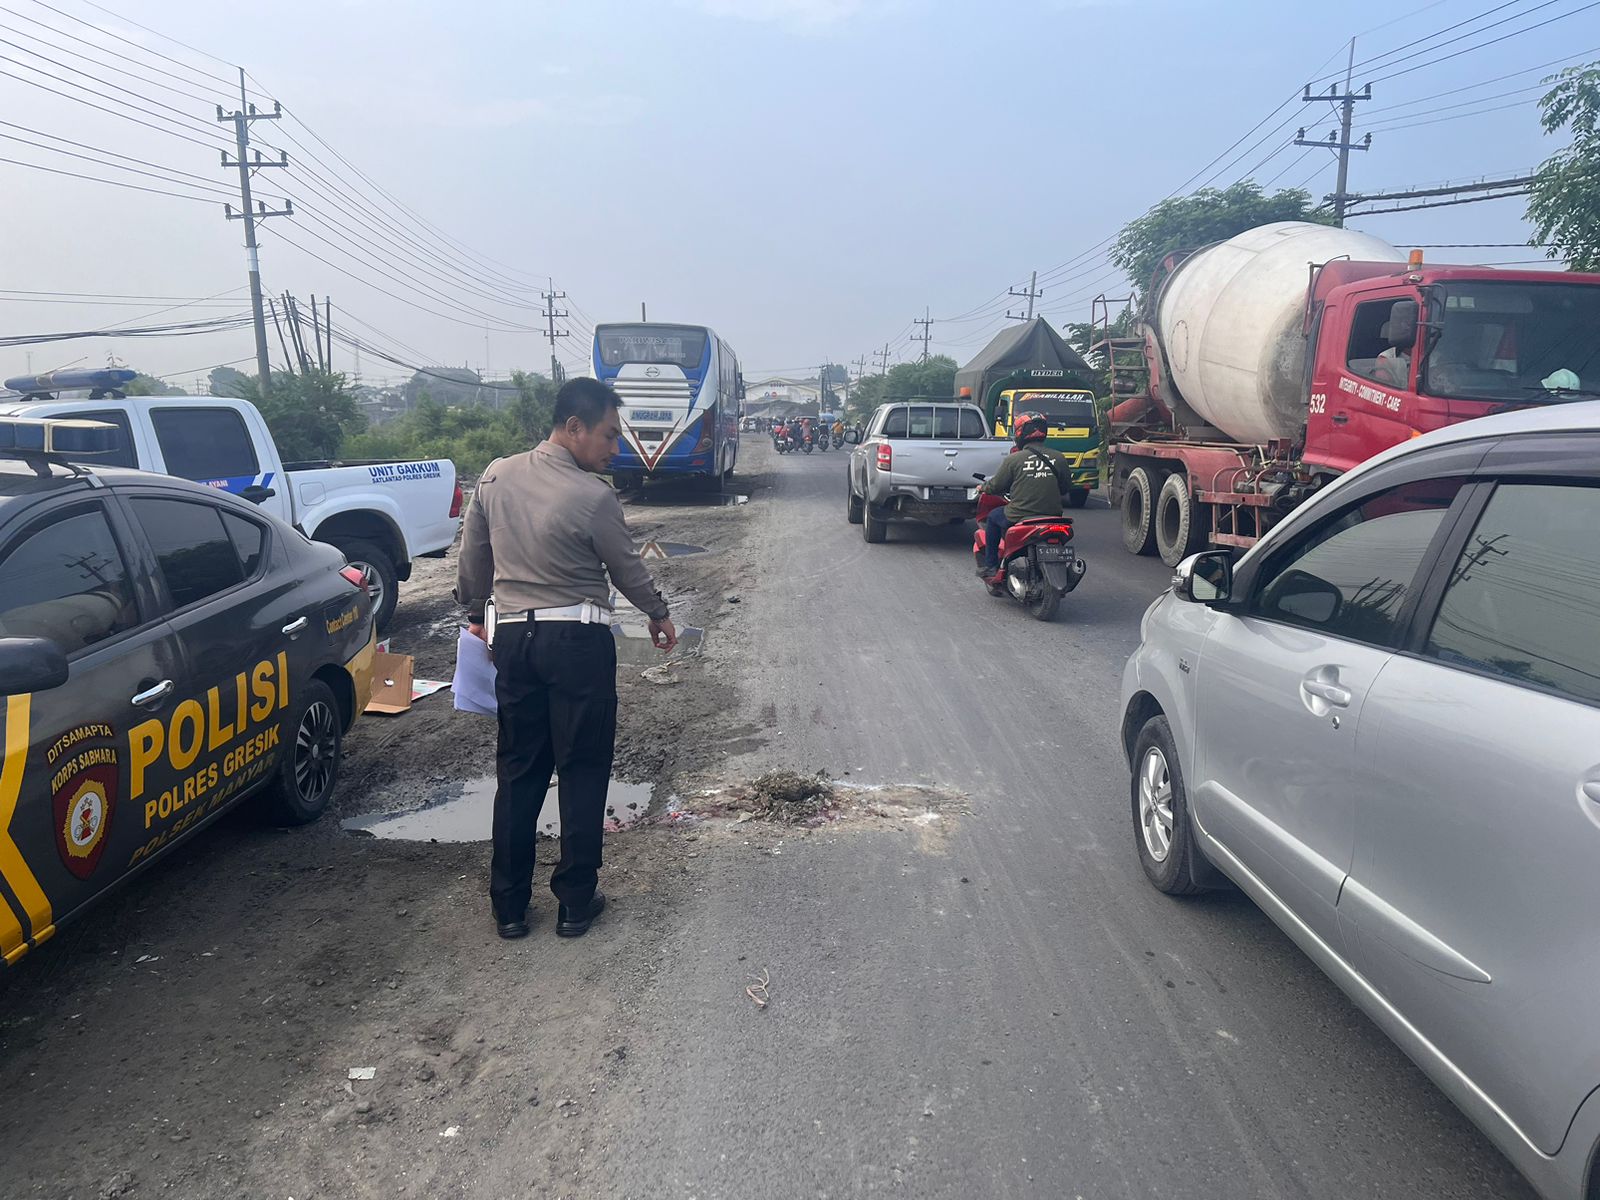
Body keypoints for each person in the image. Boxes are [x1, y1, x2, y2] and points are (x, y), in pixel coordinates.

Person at [457, 378, 677, 941]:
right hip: (578, 644)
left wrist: (476, 614)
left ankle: (509, 907)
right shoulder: (594, 496)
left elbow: (474, 557)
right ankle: (575, 904)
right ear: (574, 427)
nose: (614, 448)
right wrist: (657, 612)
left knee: (519, 771)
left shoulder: (495, 476)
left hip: (514, 643)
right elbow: (626, 568)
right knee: (582, 769)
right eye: (608, 435)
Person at [977, 412, 1070, 583]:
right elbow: (1064, 488)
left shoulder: (1014, 459)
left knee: (993, 517)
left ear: (1020, 433)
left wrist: (983, 487)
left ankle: (990, 566)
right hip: (1053, 515)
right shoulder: (1059, 457)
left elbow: (996, 486)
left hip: (1020, 514)